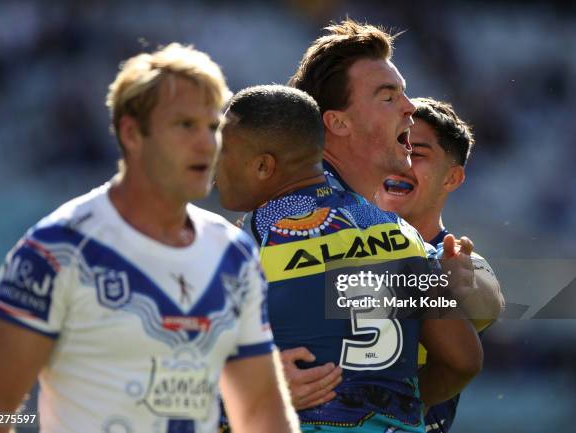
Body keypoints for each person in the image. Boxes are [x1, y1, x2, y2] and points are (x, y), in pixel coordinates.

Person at [0, 43, 299, 433]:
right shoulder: (56, 252)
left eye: (212, 127)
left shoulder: (234, 253)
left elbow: (259, 411)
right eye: (185, 125)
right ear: (132, 133)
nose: (206, 144)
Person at [215, 84, 482, 433]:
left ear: (264, 165)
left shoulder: (257, 234)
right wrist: (400, 406)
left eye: (223, 152)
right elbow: (463, 360)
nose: (213, 166)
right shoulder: (400, 233)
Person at [285, 18, 490, 424]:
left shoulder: (276, 216)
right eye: (388, 96)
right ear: (337, 122)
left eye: (404, 94)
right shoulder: (393, 240)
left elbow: (484, 305)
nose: (409, 107)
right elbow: (464, 357)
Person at [375, 97, 504, 433]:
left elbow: (486, 299)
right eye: (391, 145)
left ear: (452, 178)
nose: (398, 160)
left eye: (416, 153)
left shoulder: (452, 259)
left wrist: (461, 287)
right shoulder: (330, 244)